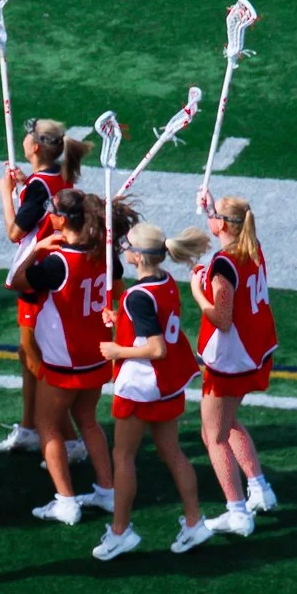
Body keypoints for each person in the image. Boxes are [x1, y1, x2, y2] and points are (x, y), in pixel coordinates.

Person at [94, 222, 214, 559]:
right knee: (172, 452)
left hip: (142, 385)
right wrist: (122, 320)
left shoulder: (137, 296)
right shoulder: (165, 282)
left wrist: (118, 351)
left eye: (127, 244)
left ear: (138, 256)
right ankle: (194, 522)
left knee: (123, 456)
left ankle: (120, 532)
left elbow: (156, 347)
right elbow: (156, 323)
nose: (123, 247)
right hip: (165, 385)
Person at [6, 189, 121, 526]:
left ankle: (66, 500)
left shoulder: (57, 262)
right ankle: (108, 490)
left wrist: (35, 249)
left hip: (64, 359)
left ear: (60, 219)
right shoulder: (105, 252)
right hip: (96, 352)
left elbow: (15, 281)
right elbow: (116, 282)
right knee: (87, 420)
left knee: (48, 426)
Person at [0, 119, 87, 458]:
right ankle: (30, 426)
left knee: (34, 357)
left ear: (34, 147)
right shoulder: (56, 177)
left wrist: (6, 194)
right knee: (27, 354)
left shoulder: (37, 187)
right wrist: (23, 184)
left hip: (38, 273)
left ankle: (67, 437)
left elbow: (15, 232)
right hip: (50, 270)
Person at [190, 192, 278, 536]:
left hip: (231, 358)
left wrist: (197, 290)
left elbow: (221, 319)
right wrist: (210, 207)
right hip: (254, 352)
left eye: (212, 214)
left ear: (223, 224)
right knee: (228, 423)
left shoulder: (225, 263)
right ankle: (259, 488)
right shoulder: (251, 246)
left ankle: (236, 510)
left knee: (212, 435)